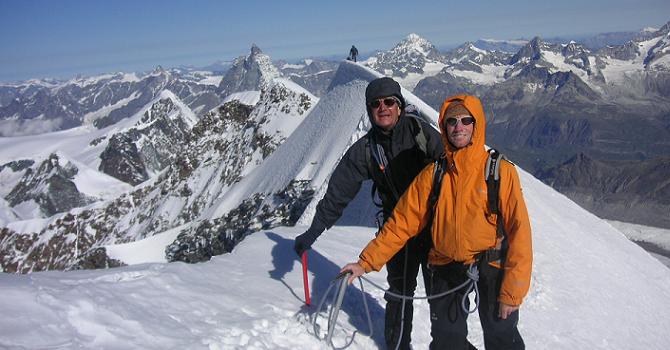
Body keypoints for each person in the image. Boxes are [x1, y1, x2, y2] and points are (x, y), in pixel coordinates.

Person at [341, 94, 533, 350]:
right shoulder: (435, 173)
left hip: (492, 264)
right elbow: (402, 222)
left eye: (466, 120)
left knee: (501, 337)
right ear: (444, 127)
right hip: (446, 265)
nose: (459, 127)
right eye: (452, 121)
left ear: (477, 125)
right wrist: (365, 263)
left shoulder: (500, 171)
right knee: (446, 342)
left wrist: (512, 292)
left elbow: (520, 232)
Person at [294, 77, 443, 349]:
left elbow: (456, 171)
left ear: (399, 106)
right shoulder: (366, 150)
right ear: (369, 109)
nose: (383, 108)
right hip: (396, 232)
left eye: (389, 102)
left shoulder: (420, 134)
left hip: (435, 228)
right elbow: (339, 191)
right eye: (376, 104)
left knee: (440, 296)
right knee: (399, 294)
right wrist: (313, 231)